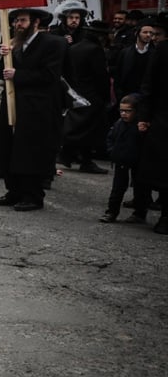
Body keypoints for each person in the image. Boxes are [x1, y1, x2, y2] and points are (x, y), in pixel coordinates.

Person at [0, 7, 67, 212]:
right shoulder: (14, 44)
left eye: (23, 21)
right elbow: (2, 73)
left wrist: (18, 74)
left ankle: (32, 195)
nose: (18, 24)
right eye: (16, 21)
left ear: (35, 22)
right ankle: (13, 191)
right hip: (13, 104)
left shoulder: (53, 43)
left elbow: (49, 76)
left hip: (37, 107)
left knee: (31, 152)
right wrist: (4, 57)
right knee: (9, 148)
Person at [59, 19, 111, 173]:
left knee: (77, 127)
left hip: (75, 92)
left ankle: (67, 154)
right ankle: (84, 160)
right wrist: (105, 96)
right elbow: (101, 76)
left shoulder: (75, 48)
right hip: (91, 95)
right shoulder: (95, 50)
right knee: (89, 130)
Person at [137, 13, 168, 234]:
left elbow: (149, 87)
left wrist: (144, 117)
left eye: (157, 34)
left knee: (160, 167)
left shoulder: (161, 52)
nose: (153, 38)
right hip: (162, 117)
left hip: (162, 119)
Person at [100, 95, 150, 224]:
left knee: (140, 188)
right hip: (121, 160)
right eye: (121, 110)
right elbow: (110, 138)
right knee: (117, 188)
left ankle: (140, 213)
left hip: (138, 162)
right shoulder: (118, 124)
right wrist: (112, 152)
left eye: (128, 111)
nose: (124, 113)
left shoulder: (140, 126)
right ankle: (111, 212)